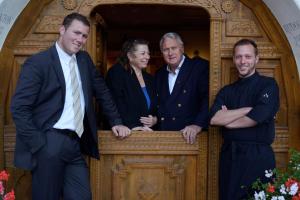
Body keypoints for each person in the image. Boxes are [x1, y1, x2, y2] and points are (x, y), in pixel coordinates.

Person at [10, 12, 131, 200]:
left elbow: (102, 92)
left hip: (75, 145)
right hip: (49, 143)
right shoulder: (38, 62)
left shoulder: (84, 60)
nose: (80, 39)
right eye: (76, 33)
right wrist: (39, 144)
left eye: (84, 36)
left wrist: (116, 121)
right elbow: (19, 108)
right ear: (62, 30)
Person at [210, 39, 280, 199]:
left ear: (257, 59)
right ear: (234, 59)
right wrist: (247, 109)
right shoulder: (226, 91)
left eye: (248, 56)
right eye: (238, 57)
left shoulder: (268, 85)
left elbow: (259, 116)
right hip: (230, 158)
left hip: (258, 157)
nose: (243, 61)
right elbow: (214, 119)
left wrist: (228, 122)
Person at [155, 32, 209, 144]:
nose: (170, 53)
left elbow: (208, 98)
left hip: (189, 137)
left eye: (173, 48)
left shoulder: (199, 67)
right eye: (166, 50)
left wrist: (197, 125)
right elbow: (156, 105)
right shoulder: (159, 74)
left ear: (182, 48)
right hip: (163, 137)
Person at [106, 39, 157, 130]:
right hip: (125, 133)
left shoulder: (149, 78)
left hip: (148, 133)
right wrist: (133, 127)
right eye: (143, 53)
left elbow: (156, 105)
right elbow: (114, 104)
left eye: (148, 53)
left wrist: (155, 119)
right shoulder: (117, 73)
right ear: (130, 55)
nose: (147, 57)